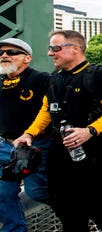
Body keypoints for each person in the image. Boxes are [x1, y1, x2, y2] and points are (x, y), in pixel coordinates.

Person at [13, 30, 102, 232]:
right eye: (50, 48)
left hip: (91, 147)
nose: (50, 53)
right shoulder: (54, 79)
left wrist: (89, 131)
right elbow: (46, 111)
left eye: (55, 48)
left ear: (75, 49)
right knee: (61, 198)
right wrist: (29, 133)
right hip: (60, 147)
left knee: (92, 196)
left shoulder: (98, 74)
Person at [0, 38, 50, 232]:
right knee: (3, 193)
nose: (4, 55)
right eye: (1, 53)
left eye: (12, 52)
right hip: (6, 145)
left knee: (37, 191)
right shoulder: (2, 82)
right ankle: (14, 229)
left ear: (27, 58)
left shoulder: (41, 79)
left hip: (35, 145)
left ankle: (77, 210)